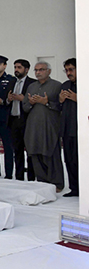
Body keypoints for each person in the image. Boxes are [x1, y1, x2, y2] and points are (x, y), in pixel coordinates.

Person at [23, 62, 64, 192]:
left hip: (50, 125)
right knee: (35, 152)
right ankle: (42, 182)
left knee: (51, 152)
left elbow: (61, 106)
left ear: (49, 71)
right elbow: (24, 107)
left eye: (41, 70)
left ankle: (57, 183)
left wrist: (46, 103)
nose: (38, 72)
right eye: (36, 70)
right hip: (33, 126)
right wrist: (30, 103)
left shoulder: (57, 86)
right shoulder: (31, 86)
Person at [7, 59, 36, 181]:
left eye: (19, 67)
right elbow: (7, 102)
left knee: (30, 150)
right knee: (17, 150)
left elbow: (34, 103)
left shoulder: (32, 84)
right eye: (15, 67)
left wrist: (23, 99)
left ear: (27, 69)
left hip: (26, 121)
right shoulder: (11, 82)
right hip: (14, 121)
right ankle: (19, 177)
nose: (16, 70)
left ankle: (31, 177)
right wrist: (8, 99)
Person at [60, 58, 78, 197]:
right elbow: (59, 106)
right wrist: (60, 100)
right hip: (67, 128)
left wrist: (78, 98)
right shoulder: (65, 85)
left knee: (81, 160)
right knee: (69, 159)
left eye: (71, 69)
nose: (68, 73)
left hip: (81, 130)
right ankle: (74, 188)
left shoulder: (85, 83)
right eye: (66, 70)